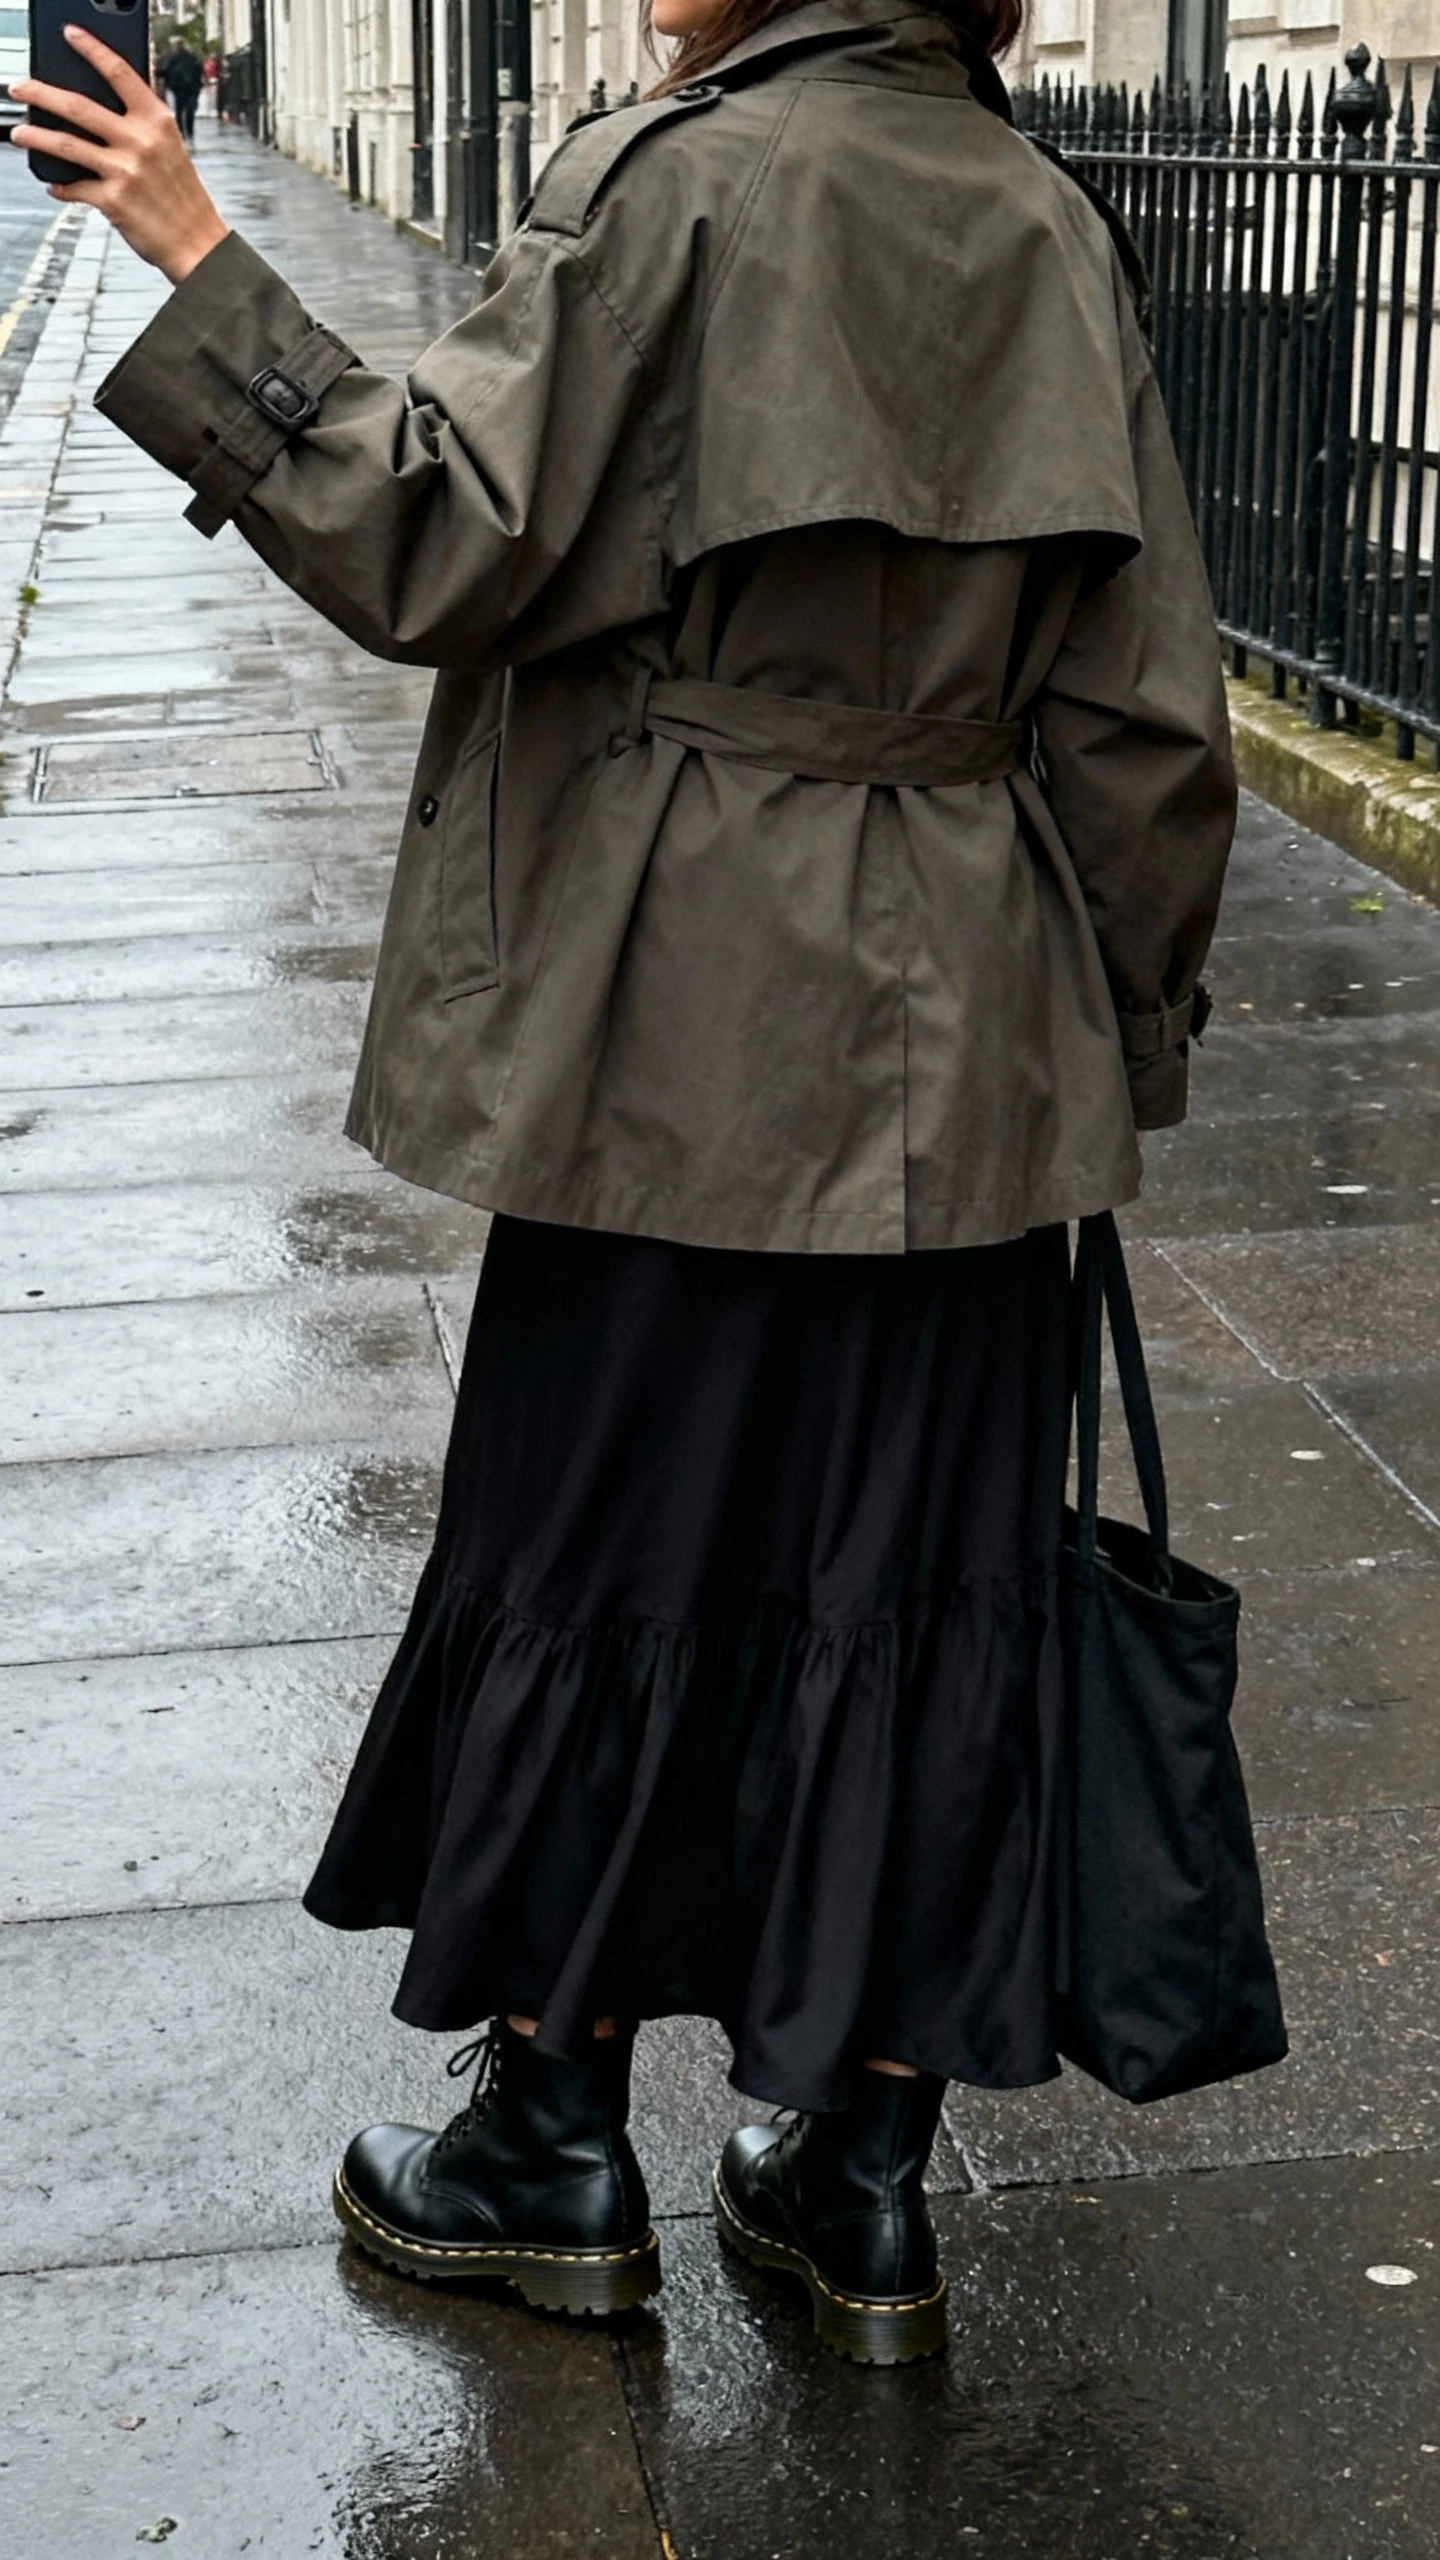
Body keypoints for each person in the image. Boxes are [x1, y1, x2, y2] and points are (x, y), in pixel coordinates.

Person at [12, 0, 1234, 2367]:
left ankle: (549, 2141)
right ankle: (860, 2183)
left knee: (602, 1545)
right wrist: (1108, 1048)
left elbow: (435, 534)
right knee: (919, 1586)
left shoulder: (675, 182)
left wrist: (185, 245)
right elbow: (1141, 720)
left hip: (669, 1014)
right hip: (974, 1038)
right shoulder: (1050, 224)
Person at [157, 33, 201, 144]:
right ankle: (186, 131)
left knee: (183, 110)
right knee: (184, 110)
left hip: (182, 88)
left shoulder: (174, 58)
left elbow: (162, 71)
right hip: (184, 88)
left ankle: (184, 131)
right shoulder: (188, 57)